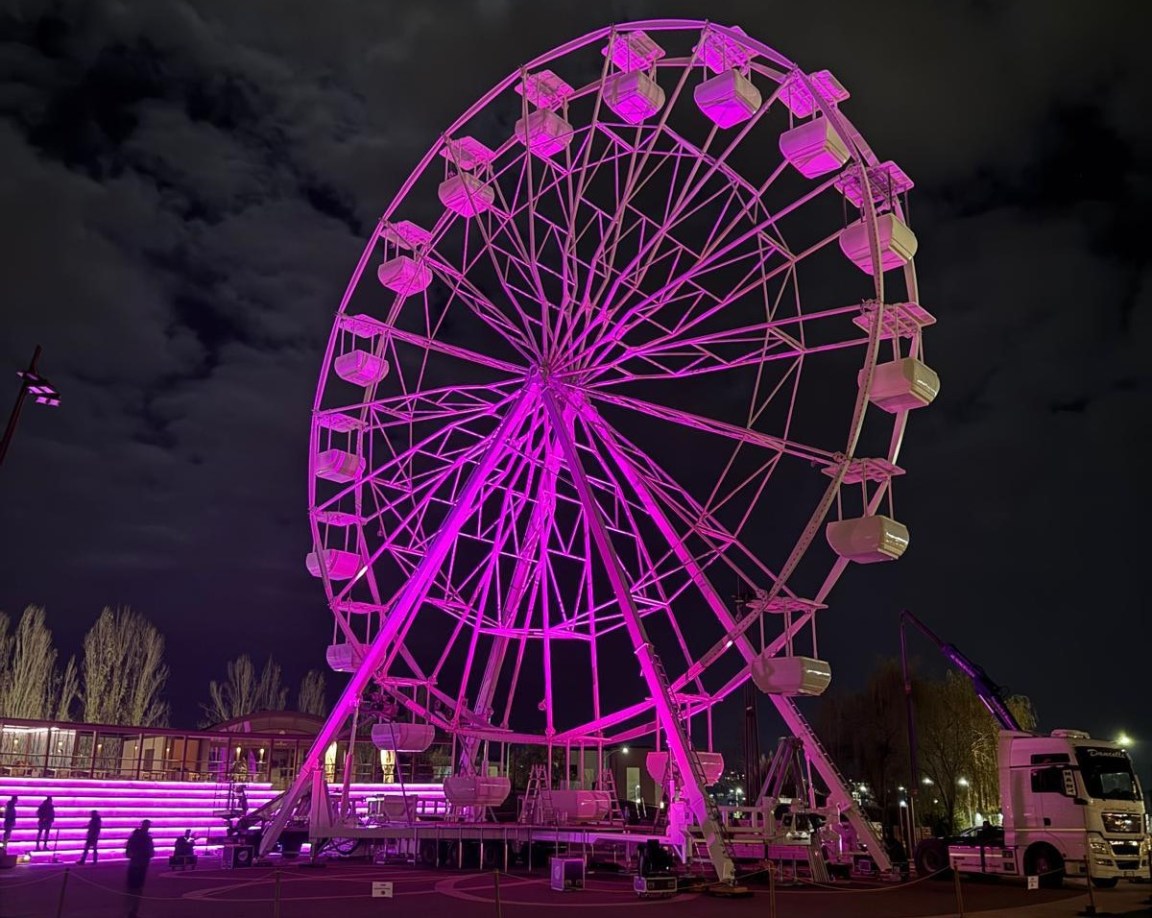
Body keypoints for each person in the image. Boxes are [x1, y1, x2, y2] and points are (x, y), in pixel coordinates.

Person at [125, 819, 155, 918]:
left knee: (131, 888)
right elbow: (151, 852)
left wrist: (131, 855)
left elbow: (128, 850)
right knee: (137, 889)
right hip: (141, 864)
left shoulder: (135, 836)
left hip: (135, 864)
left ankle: (131, 910)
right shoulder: (146, 838)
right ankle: (132, 910)